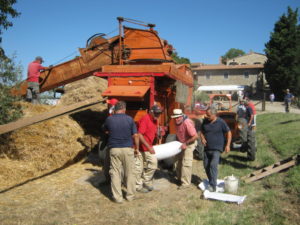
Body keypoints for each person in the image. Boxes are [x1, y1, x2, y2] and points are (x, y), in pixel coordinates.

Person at [103, 101, 139, 203]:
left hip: (114, 149)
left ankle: (118, 198)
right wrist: (136, 148)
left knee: (115, 173)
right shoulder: (129, 119)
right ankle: (130, 196)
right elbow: (135, 135)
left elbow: (105, 130)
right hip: (127, 149)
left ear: (115, 109)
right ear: (124, 109)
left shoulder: (109, 119)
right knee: (130, 172)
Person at [199, 106, 232, 192]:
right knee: (206, 165)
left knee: (213, 165)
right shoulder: (205, 121)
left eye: (208, 115)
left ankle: (213, 186)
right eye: (206, 114)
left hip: (217, 148)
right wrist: (202, 138)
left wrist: (228, 145)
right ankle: (211, 181)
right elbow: (201, 131)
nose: (207, 116)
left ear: (214, 115)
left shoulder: (221, 122)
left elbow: (229, 132)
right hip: (207, 148)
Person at [135, 105, 162, 193]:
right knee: (139, 168)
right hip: (140, 148)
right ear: (151, 112)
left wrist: (157, 134)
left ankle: (145, 181)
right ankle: (138, 186)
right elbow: (140, 134)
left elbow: (151, 132)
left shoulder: (155, 120)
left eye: (159, 113)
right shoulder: (145, 119)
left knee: (153, 165)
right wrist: (149, 147)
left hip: (147, 147)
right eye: (156, 113)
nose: (157, 115)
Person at [171, 109, 198, 189]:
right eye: (175, 118)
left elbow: (195, 136)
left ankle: (185, 183)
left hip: (189, 143)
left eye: (178, 117)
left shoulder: (187, 122)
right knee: (177, 161)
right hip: (181, 143)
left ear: (182, 116)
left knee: (186, 163)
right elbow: (178, 133)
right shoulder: (175, 122)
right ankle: (179, 179)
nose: (176, 119)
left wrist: (186, 143)